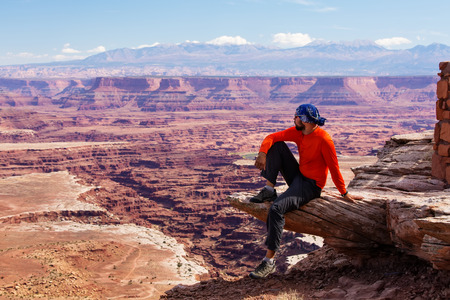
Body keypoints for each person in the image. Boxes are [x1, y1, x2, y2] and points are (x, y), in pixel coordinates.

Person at [248, 103, 362, 279]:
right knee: (276, 146)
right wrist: (262, 153)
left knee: (277, 209)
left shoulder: (324, 139)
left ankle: (268, 262)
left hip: (310, 186)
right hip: (299, 176)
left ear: (304, 120)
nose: (294, 119)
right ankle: (269, 189)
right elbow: (272, 137)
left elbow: (334, 168)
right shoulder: (298, 132)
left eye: (296, 117)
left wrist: (344, 193)